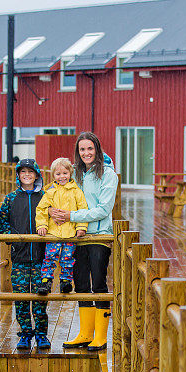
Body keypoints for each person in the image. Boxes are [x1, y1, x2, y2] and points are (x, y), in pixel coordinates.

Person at [50, 132, 118, 351]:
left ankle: (100, 336)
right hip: (76, 236)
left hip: (98, 235)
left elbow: (103, 210)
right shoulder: (76, 174)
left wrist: (72, 216)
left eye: (90, 148)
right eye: (82, 149)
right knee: (80, 283)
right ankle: (85, 333)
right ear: (77, 152)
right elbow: (61, 192)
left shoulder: (108, 174)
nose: (86, 153)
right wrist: (51, 209)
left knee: (98, 282)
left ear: (97, 149)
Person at [0, 159, 49, 350]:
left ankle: (42, 334)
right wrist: (11, 237)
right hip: (19, 258)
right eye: (23, 172)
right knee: (21, 298)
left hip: (42, 259)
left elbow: (53, 220)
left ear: (37, 175)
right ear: (18, 175)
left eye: (31, 171)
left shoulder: (45, 197)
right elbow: (1, 222)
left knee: (40, 298)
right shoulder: (11, 199)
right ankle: (25, 334)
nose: (27, 175)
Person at [35, 157, 88, 296]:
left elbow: (82, 209)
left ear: (70, 173)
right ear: (53, 175)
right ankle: (46, 281)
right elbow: (41, 209)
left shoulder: (76, 192)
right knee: (50, 257)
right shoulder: (50, 192)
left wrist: (81, 227)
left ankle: (66, 281)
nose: (62, 177)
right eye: (58, 174)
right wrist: (42, 225)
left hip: (70, 232)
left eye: (65, 173)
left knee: (68, 257)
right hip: (53, 233)